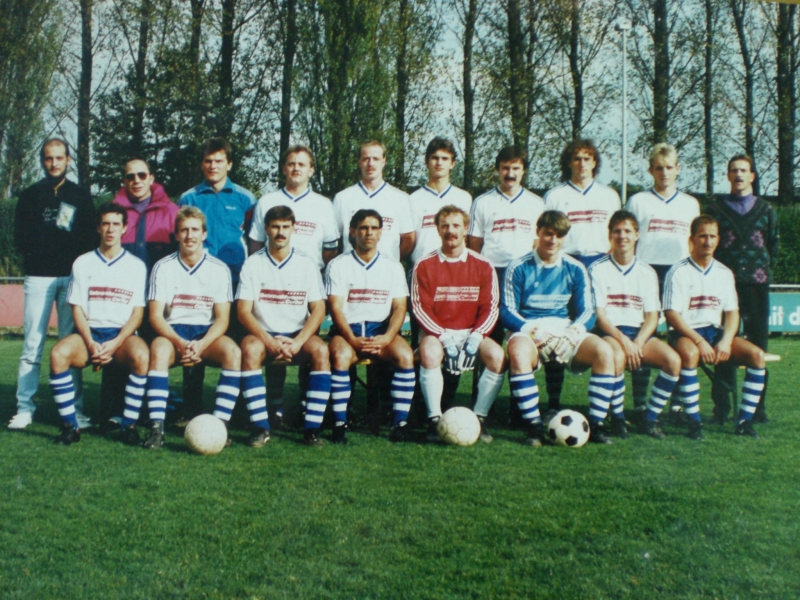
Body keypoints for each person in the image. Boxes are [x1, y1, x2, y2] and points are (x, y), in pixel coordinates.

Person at [500, 210, 616, 446]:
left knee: (604, 351)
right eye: (548, 234)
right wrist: (533, 331)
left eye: (559, 235)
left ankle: (596, 424)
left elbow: (587, 311)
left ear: (565, 238)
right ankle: (533, 426)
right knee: (519, 354)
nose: (553, 240)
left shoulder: (575, 268)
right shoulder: (518, 267)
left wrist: (573, 333)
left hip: (564, 330)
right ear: (538, 233)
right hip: (529, 329)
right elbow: (506, 310)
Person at [247, 145, 339, 425]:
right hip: (270, 282)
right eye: (291, 163)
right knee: (273, 337)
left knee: (307, 348)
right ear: (284, 168)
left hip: (306, 284)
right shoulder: (267, 201)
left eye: (302, 164)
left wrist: (311, 271)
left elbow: (330, 250)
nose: (296, 168)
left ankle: (305, 404)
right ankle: (274, 406)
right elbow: (255, 245)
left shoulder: (323, 204)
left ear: (311, 169)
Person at [9, 138, 96, 431]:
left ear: (68, 160)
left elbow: (89, 241)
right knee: (32, 344)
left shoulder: (80, 196)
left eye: (59, 158)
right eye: (48, 158)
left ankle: (73, 410)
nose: (54, 163)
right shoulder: (30, 195)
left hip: (71, 280)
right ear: (43, 161)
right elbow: (20, 238)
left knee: (70, 346)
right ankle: (24, 407)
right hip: (38, 278)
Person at [47, 204, 149, 445]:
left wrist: (115, 343)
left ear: (125, 228)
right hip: (89, 334)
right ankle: (70, 427)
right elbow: (77, 309)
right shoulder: (83, 262)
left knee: (143, 355)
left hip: (120, 336)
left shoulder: (136, 265)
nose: (110, 229)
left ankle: (129, 425)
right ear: (98, 228)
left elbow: (137, 314)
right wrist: (92, 343)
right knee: (58, 354)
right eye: (105, 224)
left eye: (116, 224)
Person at [142, 207, 241, 449]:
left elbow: (222, 319)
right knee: (159, 351)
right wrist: (180, 342)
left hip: (205, 334)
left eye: (195, 230)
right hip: (173, 331)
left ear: (204, 234)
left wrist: (202, 343)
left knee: (233, 352)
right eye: (184, 230)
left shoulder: (218, 269)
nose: (189, 236)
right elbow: (156, 316)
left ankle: (220, 426)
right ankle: (157, 428)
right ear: (176, 235)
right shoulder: (162, 267)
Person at [663, 215, 766, 440]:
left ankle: (744, 421)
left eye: (712, 237)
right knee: (690, 354)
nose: (707, 242)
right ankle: (694, 422)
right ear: (692, 239)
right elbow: (671, 314)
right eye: (702, 236)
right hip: (686, 333)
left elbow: (732, 313)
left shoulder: (724, 272)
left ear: (718, 240)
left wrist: (726, 341)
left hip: (715, 332)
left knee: (757, 355)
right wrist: (699, 342)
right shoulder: (678, 271)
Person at [237, 205, 331, 447]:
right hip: (263, 334)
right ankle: (260, 427)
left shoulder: (306, 264)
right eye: (275, 226)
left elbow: (319, 309)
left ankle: (312, 429)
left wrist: (299, 341)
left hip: (295, 335)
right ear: (266, 229)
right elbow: (243, 312)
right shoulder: (252, 264)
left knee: (321, 351)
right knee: (249, 350)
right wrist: (269, 340)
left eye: (285, 227)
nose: (280, 232)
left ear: (293, 229)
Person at [411, 206, 504, 443]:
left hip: (471, 332)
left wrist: (475, 339)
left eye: (455, 225)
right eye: (445, 226)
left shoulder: (483, 265)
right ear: (438, 229)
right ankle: (434, 420)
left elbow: (490, 307)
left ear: (466, 229)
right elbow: (420, 309)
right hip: (437, 333)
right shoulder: (424, 265)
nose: (450, 231)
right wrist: (444, 339)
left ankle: (480, 419)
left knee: (496, 356)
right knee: (430, 353)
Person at [179, 138, 255, 420]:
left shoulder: (246, 198)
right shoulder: (189, 198)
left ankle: (237, 406)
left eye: (219, 161)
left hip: (235, 284)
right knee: (195, 337)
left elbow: (254, 242)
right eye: (208, 161)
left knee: (235, 344)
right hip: (198, 284)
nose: (213, 166)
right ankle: (191, 405)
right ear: (202, 164)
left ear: (229, 164)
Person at [589, 211, 682, 440]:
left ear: (637, 235)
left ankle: (650, 418)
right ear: (609, 235)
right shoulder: (597, 268)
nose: (622, 236)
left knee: (673, 361)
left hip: (639, 333)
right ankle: (618, 417)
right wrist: (625, 342)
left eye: (628, 231)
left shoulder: (646, 271)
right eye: (617, 231)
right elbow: (600, 316)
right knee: (617, 357)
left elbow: (652, 316)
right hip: (611, 332)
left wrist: (638, 342)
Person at [542, 140, 621, 412]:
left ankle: (608, 406)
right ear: (568, 163)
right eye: (576, 158)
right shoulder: (555, 195)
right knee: (560, 330)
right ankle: (553, 401)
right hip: (567, 265)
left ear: (595, 162)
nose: (582, 164)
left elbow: (615, 236)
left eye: (587, 158)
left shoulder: (609, 196)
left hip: (600, 265)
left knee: (603, 333)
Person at [326, 209, 415, 443]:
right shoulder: (338, 265)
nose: (369, 233)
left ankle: (400, 423)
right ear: (353, 232)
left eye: (374, 228)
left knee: (406, 356)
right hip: (348, 332)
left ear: (381, 233)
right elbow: (335, 309)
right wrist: (353, 340)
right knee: (340, 356)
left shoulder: (393, 266)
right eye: (363, 228)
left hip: (380, 331)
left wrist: (387, 338)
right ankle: (340, 422)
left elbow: (399, 308)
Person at [625, 144, 700, 422]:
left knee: (680, 336)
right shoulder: (638, 201)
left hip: (679, 275)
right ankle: (641, 403)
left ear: (678, 169)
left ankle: (678, 404)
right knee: (643, 336)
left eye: (669, 167)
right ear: (650, 170)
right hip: (646, 274)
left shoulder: (690, 203)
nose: (664, 173)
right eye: (659, 167)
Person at [706, 155, 779, 424]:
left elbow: (773, 246)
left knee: (758, 347)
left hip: (757, 288)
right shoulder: (715, 209)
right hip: (725, 288)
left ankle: (757, 409)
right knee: (724, 347)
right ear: (728, 176)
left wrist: (756, 271)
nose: (738, 175)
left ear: (752, 176)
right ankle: (721, 409)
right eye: (734, 170)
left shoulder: (767, 210)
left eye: (744, 170)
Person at [332, 141, 415, 261]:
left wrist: (389, 261)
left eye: (376, 159)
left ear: (384, 161)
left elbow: (408, 240)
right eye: (366, 159)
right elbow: (335, 241)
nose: (370, 163)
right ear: (359, 161)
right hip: (351, 272)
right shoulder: (342, 198)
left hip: (387, 272)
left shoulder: (400, 198)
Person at [409, 138, 472, 264]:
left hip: (456, 266)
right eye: (434, 158)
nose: (439, 163)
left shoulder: (464, 198)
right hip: (422, 268)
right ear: (427, 162)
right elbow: (409, 240)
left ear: (452, 163)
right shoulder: (413, 199)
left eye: (444, 158)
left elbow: (468, 237)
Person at [113, 159, 178, 273]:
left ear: (151, 178)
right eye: (130, 177)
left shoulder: (171, 212)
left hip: (161, 284)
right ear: (124, 181)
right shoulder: (113, 213)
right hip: (123, 284)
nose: (136, 180)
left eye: (142, 175)